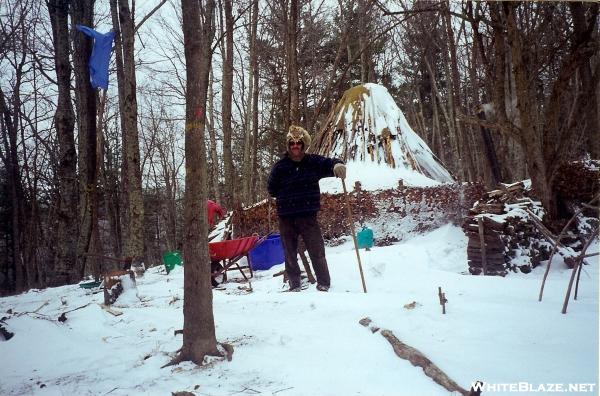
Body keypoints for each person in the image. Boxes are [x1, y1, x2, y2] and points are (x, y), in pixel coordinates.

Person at [267, 125, 346, 292]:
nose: (295, 146)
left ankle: (324, 282)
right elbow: (271, 188)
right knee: (289, 253)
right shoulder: (280, 167)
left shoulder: (312, 162)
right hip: (286, 217)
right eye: (292, 143)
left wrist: (338, 166)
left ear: (303, 145)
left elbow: (330, 163)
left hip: (308, 216)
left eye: (299, 143)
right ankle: (294, 284)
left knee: (317, 250)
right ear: (288, 145)